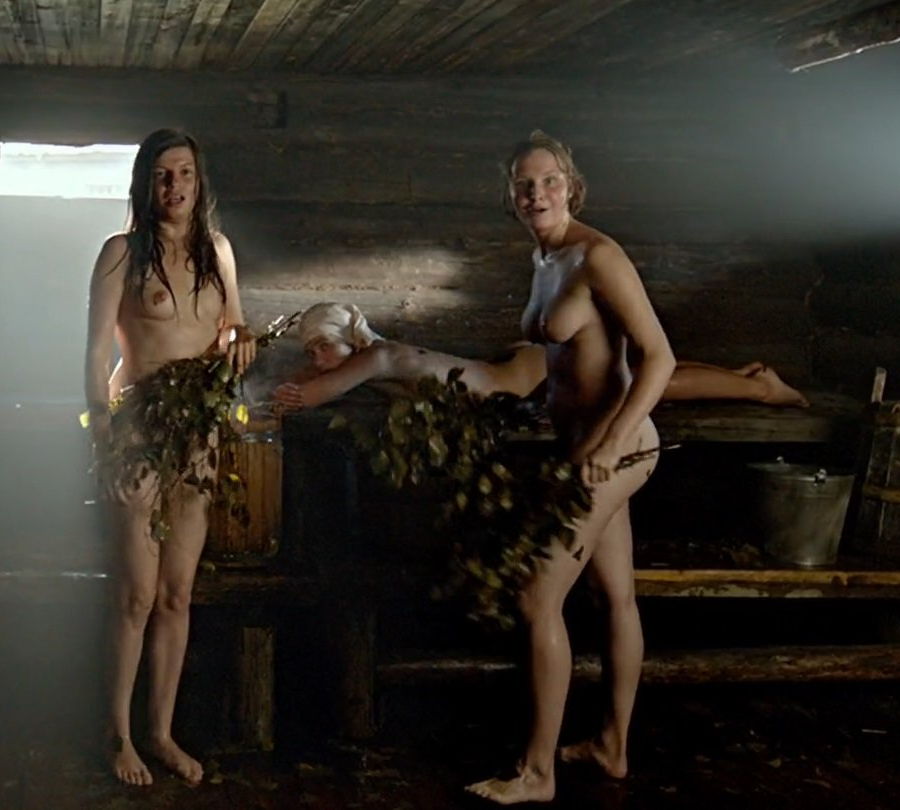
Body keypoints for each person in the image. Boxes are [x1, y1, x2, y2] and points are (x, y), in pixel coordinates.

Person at [458, 130, 677, 805]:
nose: (537, 194)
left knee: (535, 597)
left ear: (571, 185)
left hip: (616, 450)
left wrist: (609, 446)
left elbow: (660, 358)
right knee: (614, 596)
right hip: (580, 449)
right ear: (511, 195)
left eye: (549, 181)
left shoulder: (597, 256)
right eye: (524, 184)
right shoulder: (545, 257)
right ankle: (612, 746)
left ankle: (537, 774)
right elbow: (567, 356)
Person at [84, 128, 256, 786]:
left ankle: (160, 733)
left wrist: (241, 341)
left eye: (184, 173)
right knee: (136, 593)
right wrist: (104, 436)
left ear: (198, 181)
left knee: (177, 593)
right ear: (144, 183)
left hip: (198, 436)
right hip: (138, 430)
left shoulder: (218, 252)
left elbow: (234, 326)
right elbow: (97, 352)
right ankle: (118, 735)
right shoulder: (120, 254)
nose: (174, 185)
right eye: (162, 174)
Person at [272, 302, 807, 411]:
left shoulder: (377, 357)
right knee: (635, 375)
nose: (318, 358)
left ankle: (760, 388)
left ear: (351, 341)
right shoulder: (368, 362)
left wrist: (255, 403)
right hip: (517, 371)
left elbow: (308, 396)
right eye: (311, 350)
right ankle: (744, 375)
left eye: (323, 346)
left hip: (524, 382)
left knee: (648, 384)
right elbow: (314, 381)